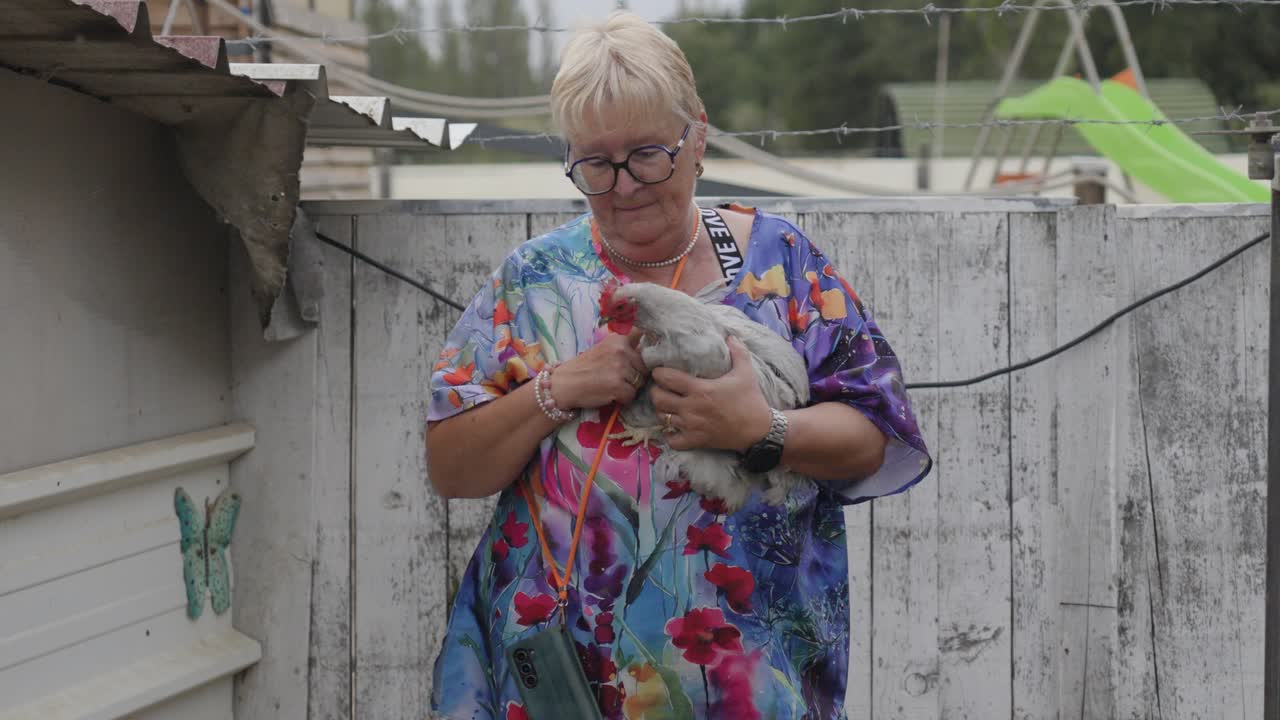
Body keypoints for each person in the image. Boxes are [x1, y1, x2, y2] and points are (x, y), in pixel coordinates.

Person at [426, 11, 931, 719]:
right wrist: (558, 387)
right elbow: (452, 468)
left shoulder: (778, 264)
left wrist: (763, 428)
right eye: (596, 163)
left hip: (746, 687)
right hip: (562, 686)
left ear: (696, 136)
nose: (625, 185)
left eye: (647, 154)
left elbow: (877, 439)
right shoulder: (533, 283)